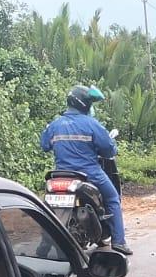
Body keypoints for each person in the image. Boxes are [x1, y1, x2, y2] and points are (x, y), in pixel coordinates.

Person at [41, 85, 131, 256]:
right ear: (84, 104)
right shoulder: (92, 124)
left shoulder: (55, 124)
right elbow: (109, 150)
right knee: (113, 199)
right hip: (89, 173)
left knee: (48, 207)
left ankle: (43, 248)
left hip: (60, 176)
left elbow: (44, 145)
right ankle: (119, 242)